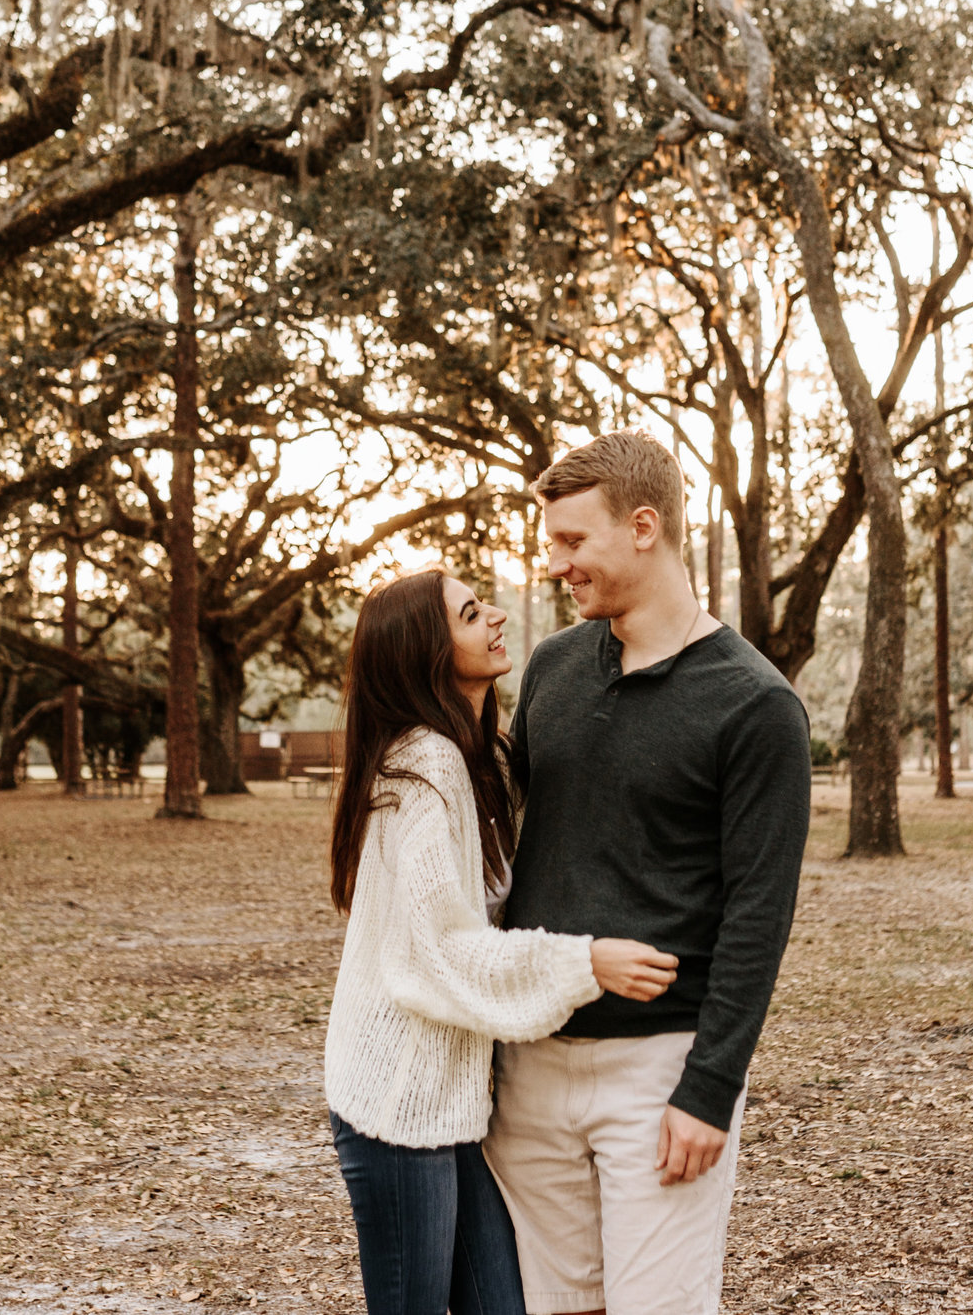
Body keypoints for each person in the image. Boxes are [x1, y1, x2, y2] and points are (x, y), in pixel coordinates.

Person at [486, 432, 811, 1315]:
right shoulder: (553, 669)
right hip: (531, 1057)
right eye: (552, 544)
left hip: (660, 1070)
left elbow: (758, 913)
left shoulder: (756, 706)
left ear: (643, 527)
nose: (556, 565)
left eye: (572, 542)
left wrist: (709, 1089)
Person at [324, 567, 682, 1315]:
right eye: (469, 612)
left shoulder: (478, 758)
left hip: (451, 1102)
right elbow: (442, 952)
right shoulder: (424, 767)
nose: (494, 617)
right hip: (396, 1103)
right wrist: (584, 961)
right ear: (429, 651)